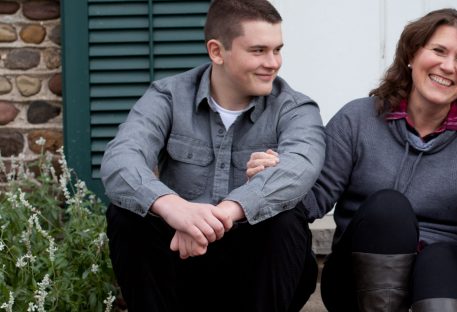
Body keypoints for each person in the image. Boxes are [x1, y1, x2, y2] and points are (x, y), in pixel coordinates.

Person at [246, 8, 457, 312]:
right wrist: (275, 179)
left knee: (439, 258)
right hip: (357, 277)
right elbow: (313, 198)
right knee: (388, 208)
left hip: (454, 275)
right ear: (411, 53)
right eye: (438, 51)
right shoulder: (357, 119)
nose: (448, 66)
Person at [100, 0, 325, 311]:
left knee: (286, 216)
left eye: (277, 49)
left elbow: (302, 166)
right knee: (125, 214)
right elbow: (120, 159)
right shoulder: (168, 96)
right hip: (182, 263)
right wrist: (174, 208)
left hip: (255, 274)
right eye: (258, 50)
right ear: (217, 51)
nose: (274, 62)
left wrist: (221, 214)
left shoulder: (295, 108)